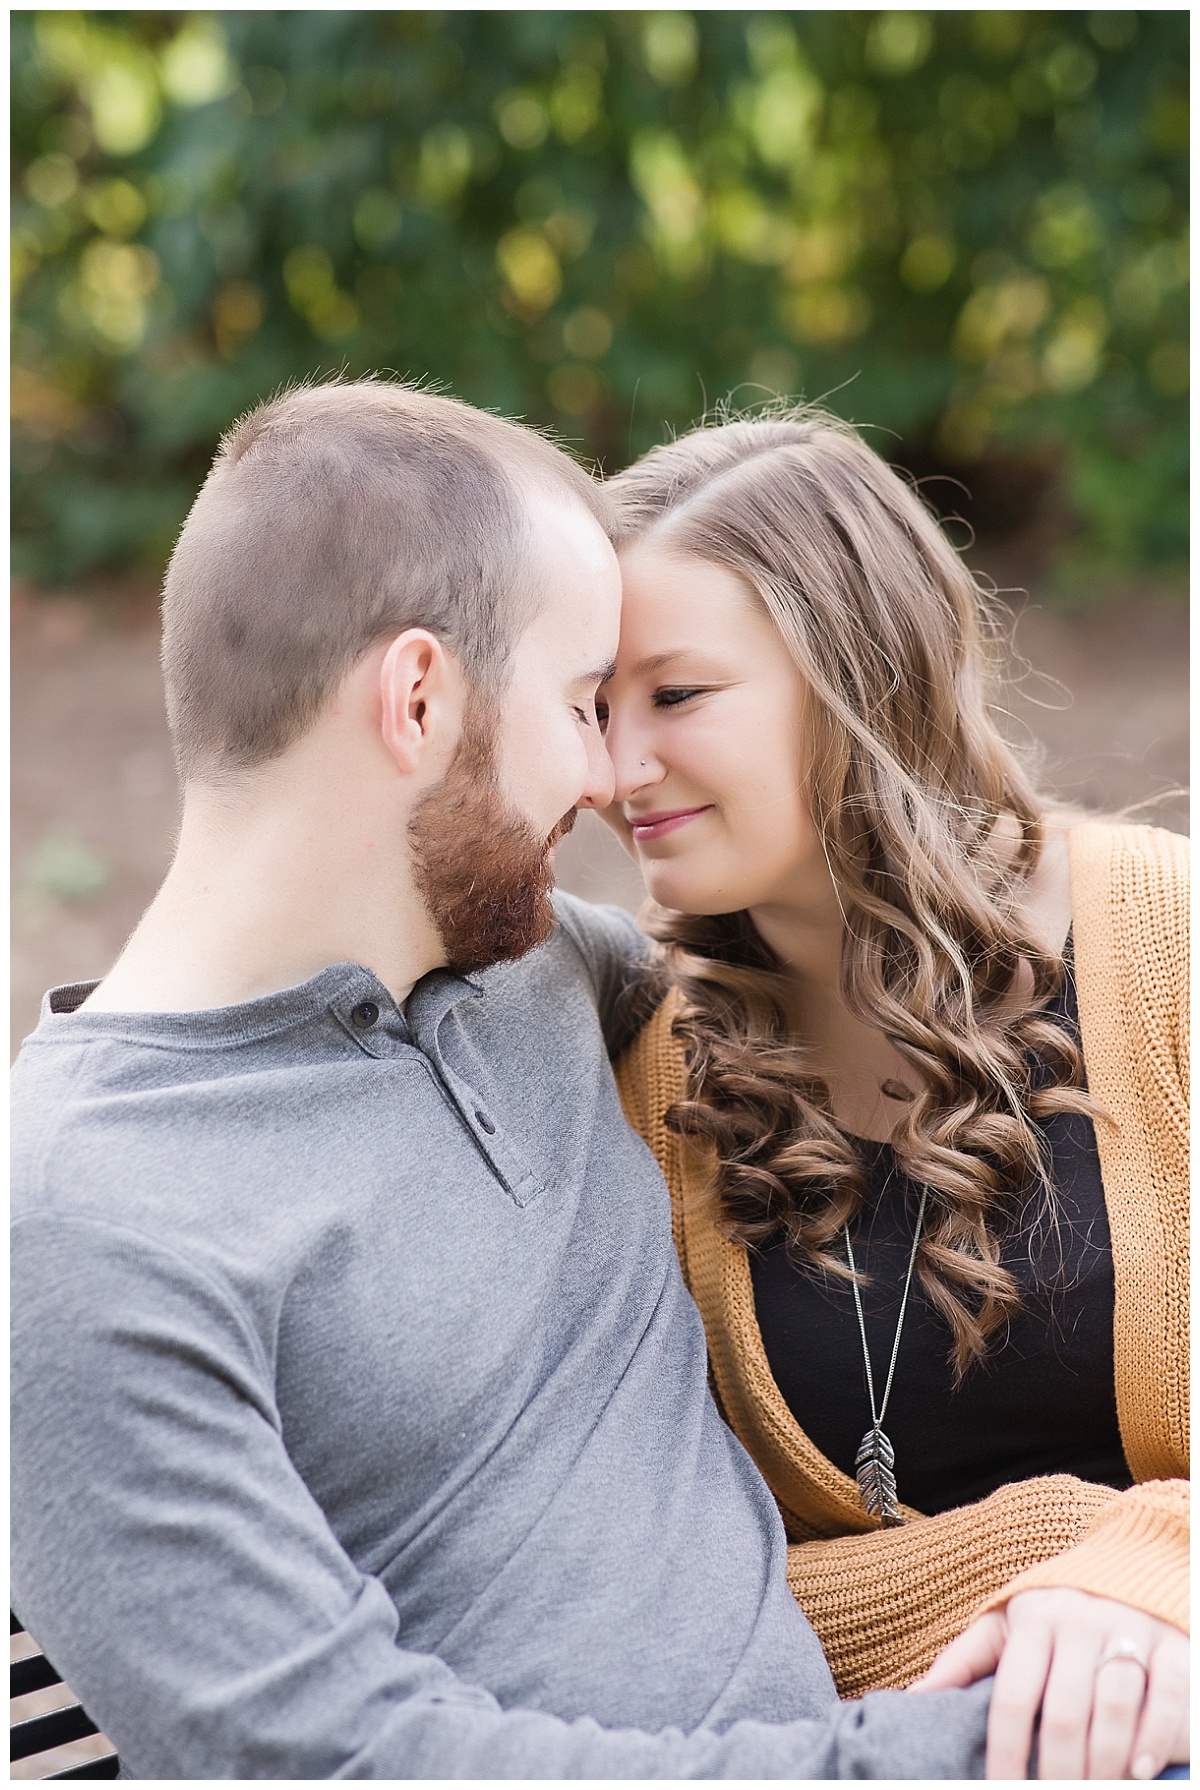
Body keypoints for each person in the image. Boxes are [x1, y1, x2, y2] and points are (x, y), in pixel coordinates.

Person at [10, 379, 1000, 1780]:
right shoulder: (86, 1218)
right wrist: (964, 1756)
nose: (607, 773)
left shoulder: (536, 975)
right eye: (586, 700)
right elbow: (337, 1758)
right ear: (418, 697)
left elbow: (889, 962)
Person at [596, 405, 1189, 1784]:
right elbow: (691, 1599)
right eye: (594, 707)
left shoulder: (1168, 949)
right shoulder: (644, 1068)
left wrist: (1161, 1567)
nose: (618, 772)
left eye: (676, 697)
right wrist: (1051, 1554)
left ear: (859, 672)